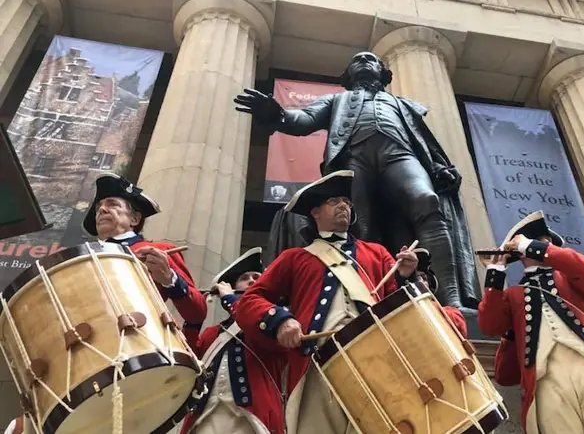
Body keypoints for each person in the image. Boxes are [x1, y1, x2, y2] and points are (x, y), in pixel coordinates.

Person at [233, 52, 480, 310]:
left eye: (370, 59)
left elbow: (424, 142)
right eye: (357, 60)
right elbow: (304, 120)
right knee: (359, 224)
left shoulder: (402, 104)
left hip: (399, 154)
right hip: (354, 158)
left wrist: (440, 166)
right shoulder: (337, 100)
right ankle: (371, 302)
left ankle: (451, 300)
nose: (363, 61)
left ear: (382, 73)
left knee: (427, 200)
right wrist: (278, 115)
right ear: (348, 75)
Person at [235, 170, 466, 434]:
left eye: (346, 201)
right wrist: (281, 321)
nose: (344, 205)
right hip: (318, 358)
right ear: (315, 212)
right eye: (334, 201)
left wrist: (405, 276)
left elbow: (400, 306)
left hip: (376, 354)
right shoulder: (295, 258)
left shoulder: (376, 253)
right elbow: (251, 299)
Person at [477, 211, 584, 434]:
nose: (547, 246)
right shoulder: (513, 295)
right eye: (542, 241)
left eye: (545, 243)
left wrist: (528, 245)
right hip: (544, 379)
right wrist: (495, 272)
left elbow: (580, 265)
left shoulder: (570, 279)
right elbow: (490, 324)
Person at [83, 173, 207, 333]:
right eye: (98, 207)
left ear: (134, 219)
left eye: (112, 204)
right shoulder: (81, 260)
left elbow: (197, 314)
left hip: (142, 340)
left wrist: (169, 279)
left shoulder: (160, 250)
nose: (102, 209)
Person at [180, 247, 285, 434]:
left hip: (254, 417)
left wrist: (229, 299)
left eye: (257, 278)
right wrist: (195, 316)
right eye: (245, 278)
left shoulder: (277, 323)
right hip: (206, 414)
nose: (252, 280)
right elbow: (189, 359)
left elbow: (254, 322)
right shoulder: (212, 333)